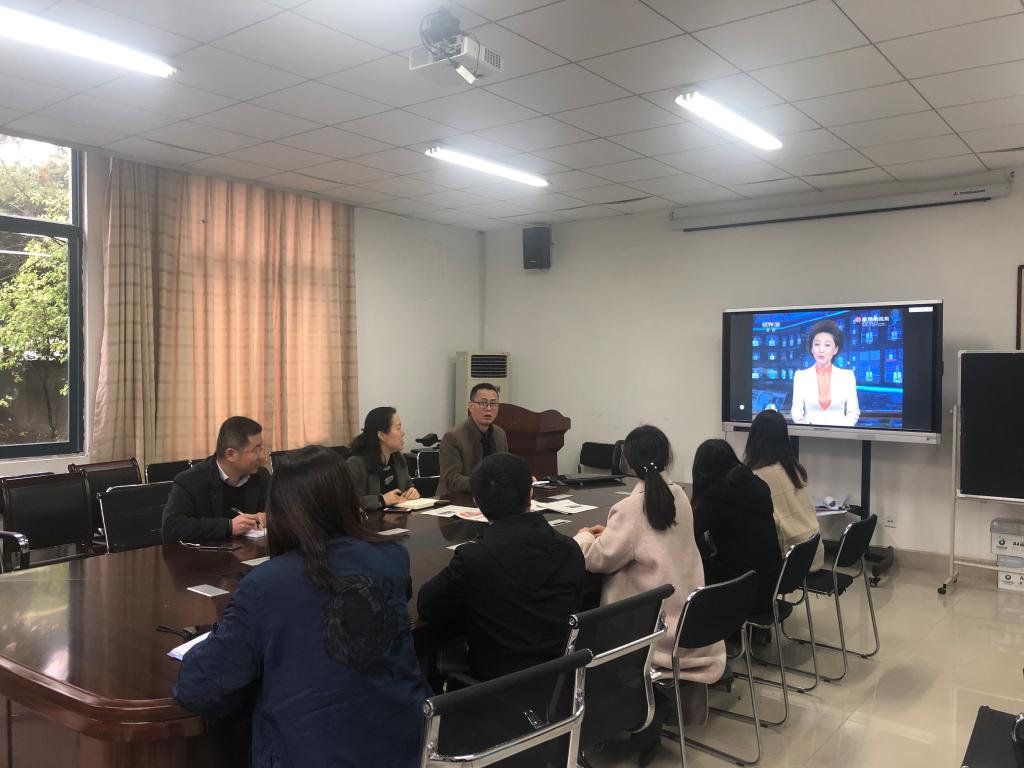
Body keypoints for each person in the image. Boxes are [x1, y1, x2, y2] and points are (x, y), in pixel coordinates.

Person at [174, 446, 430, 767]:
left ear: (282, 510)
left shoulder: (265, 585)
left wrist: (207, 642)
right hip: (404, 746)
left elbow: (199, 689)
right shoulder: (391, 557)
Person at [574, 426, 725, 766]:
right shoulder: (679, 496)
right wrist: (611, 535)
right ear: (668, 456)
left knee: (579, 625)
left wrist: (584, 537)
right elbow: (647, 541)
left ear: (627, 462)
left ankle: (617, 715)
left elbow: (597, 560)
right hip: (687, 620)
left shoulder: (631, 508)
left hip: (650, 630)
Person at [417, 452, 585, 681]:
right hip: (563, 680)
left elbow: (427, 606)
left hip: (499, 687)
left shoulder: (475, 559)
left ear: (476, 502)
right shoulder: (570, 548)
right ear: (530, 493)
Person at [691, 439, 783, 615]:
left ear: (703, 472)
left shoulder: (717, 498)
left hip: (743, 589)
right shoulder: (756, 484)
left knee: (690, 565)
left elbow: (690, 531)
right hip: (770, 584)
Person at [161, 416, 269, 543]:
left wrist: (269, 518)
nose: (262, 456)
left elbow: (281, 512)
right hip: (206, 554)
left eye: (261, 447)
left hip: (252, 552)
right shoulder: (190, 481)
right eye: (256, 450)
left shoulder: (261, 476)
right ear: (231, 454)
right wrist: (229, 527)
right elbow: (171, 528)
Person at [744, 409, 825, 572]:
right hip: (813, 553)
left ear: (753, 438)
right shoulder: (795, 469)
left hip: (789, 562)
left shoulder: (756, 476)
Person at [436, 382, 508, 498]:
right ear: (470, 406)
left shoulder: (499, 434)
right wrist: (486, 484)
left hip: (489, 498)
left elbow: (505, 469)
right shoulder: (453, 437)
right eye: (483, 403)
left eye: (493, 403)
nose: (489, 408)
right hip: (455, 500)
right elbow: (452, 479)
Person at [346, 407, 420, 511]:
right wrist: (381, 500)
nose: (403, 433)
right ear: (381, 435)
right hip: (370, 520)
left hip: (400, 518)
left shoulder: (398, 459)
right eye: (398, 428)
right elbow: (345, 501)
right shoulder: (355, 464)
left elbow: (408, 486)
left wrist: (412, 492)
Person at [790, 319, 860, 426]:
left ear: (835, 350)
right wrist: (802, 424)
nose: (821, 350)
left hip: (840, 433)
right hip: (809, 432)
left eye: (827, 345)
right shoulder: (800, 376)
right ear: (812, 348)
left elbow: (853, 412)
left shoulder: (847, 377)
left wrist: (842, 430)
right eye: (817, 344)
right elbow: (796, 410)